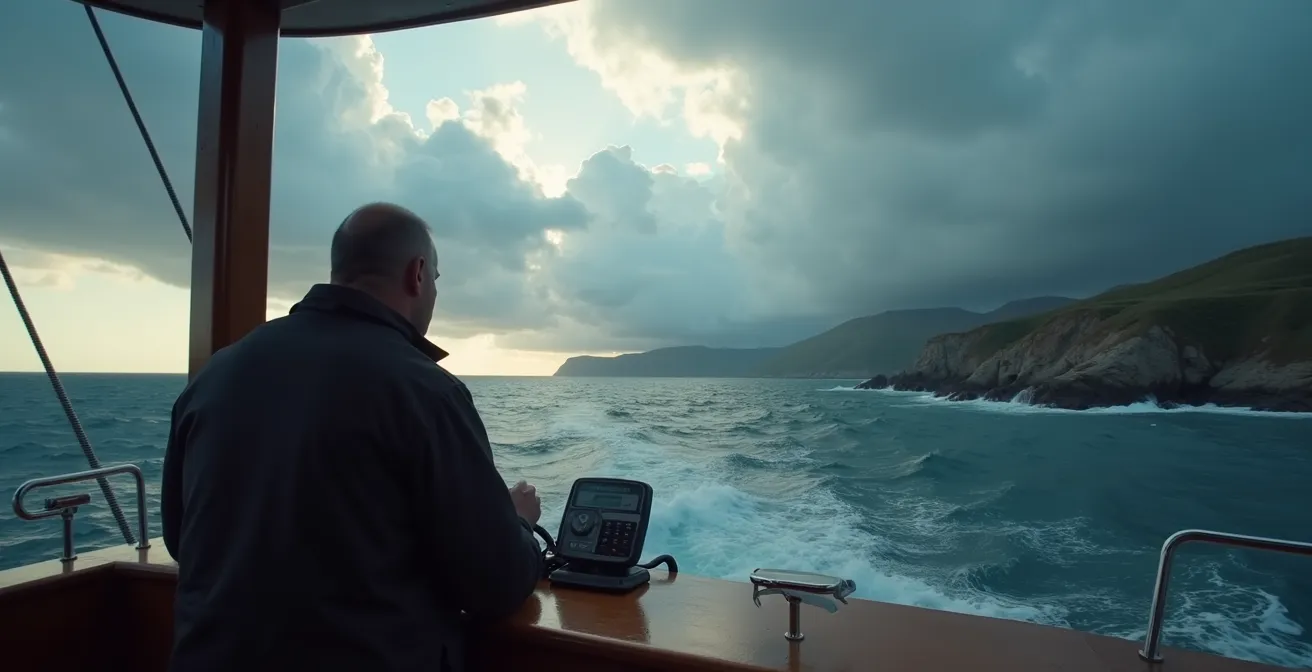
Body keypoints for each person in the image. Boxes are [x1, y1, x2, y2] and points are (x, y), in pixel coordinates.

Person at [161, 202, 545, 672]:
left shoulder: (215, 374)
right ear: (418, 274)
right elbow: (496, 583)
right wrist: (519, 523)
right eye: (438, 279)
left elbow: (182, 538)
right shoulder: (424, 391)